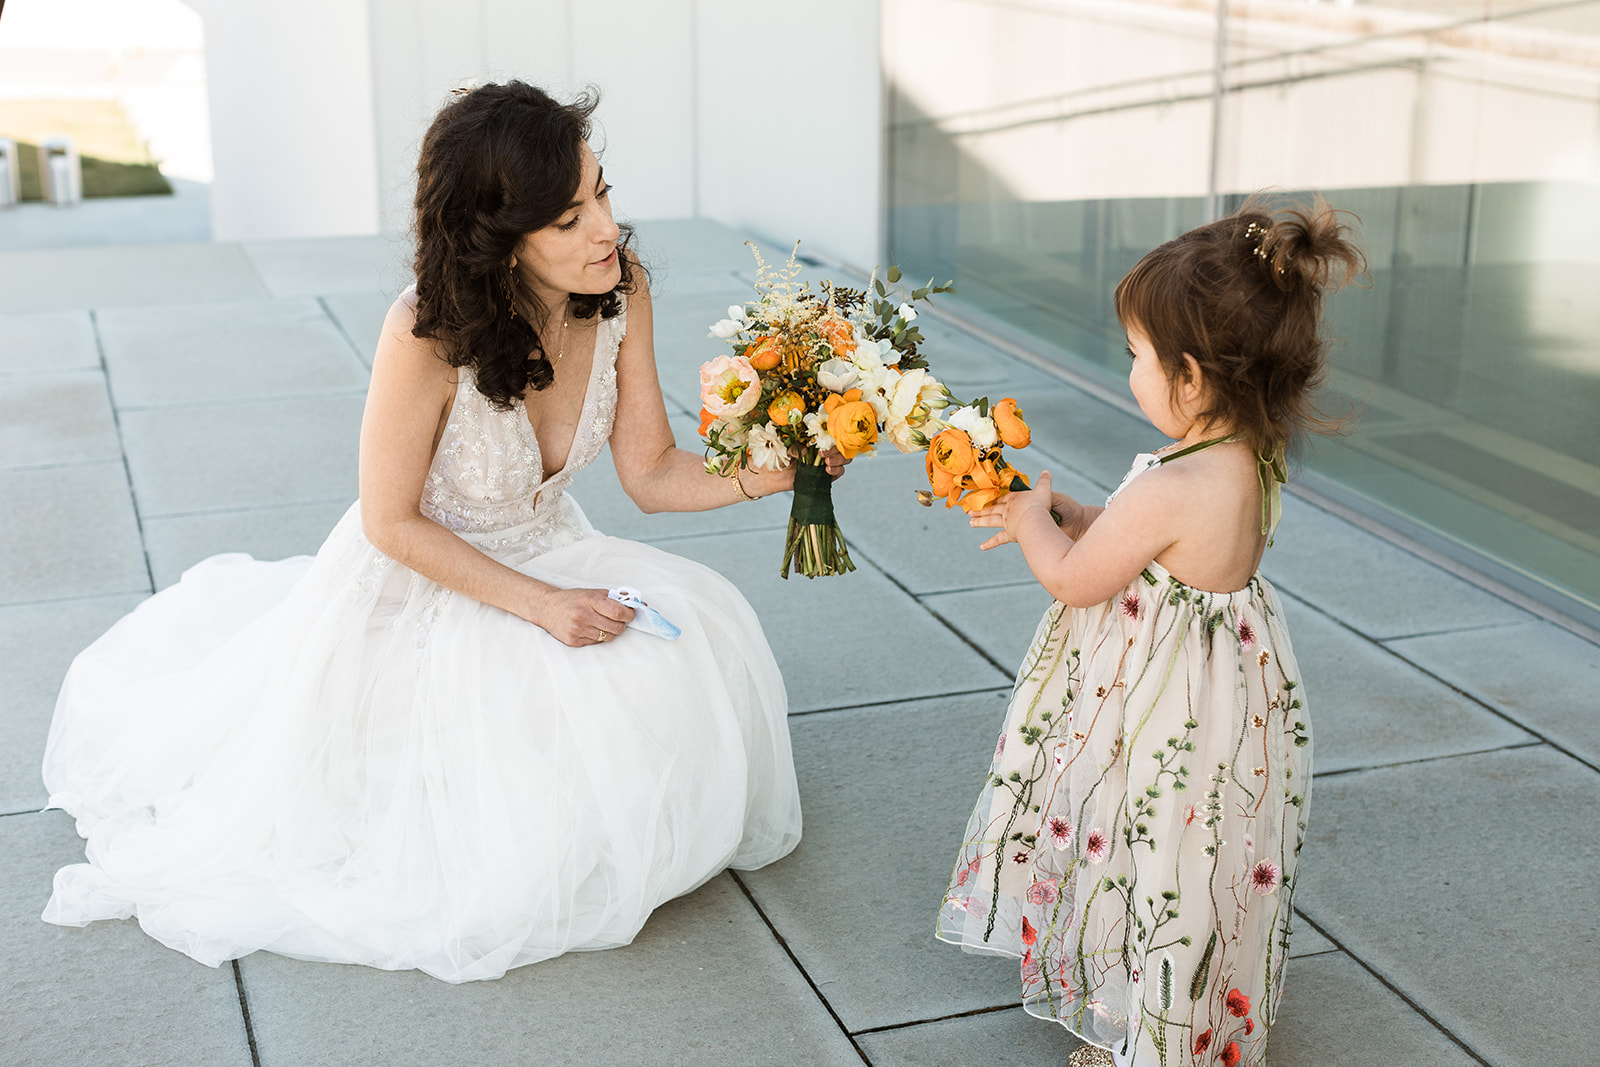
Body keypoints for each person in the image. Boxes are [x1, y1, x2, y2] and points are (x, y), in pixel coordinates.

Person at [40, 81, 834, 984]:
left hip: (548, 543)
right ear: (499, 236)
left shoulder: (620, 290)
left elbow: (650, 473)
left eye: (603, 194)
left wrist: (781, 471)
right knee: (483, 805)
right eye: (567, 219)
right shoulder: (424, 331)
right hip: (421, 578)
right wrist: (542, 606)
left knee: (690, 649)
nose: (606, 229)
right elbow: (389, 521)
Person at [939, 201, 1363, 1065]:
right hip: (1223, 702)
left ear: (1193, 378)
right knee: (1192, 856)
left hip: (1154, 702)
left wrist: (1029, 520)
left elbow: (1074, 575)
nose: (1130, 369)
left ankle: (1143, 1035)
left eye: (1138, 355)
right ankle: (1181, 1017)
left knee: (1135, 847)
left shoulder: (1175, 485)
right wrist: (1082, 512)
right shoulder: (1250, 455)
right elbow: (1152, 546)